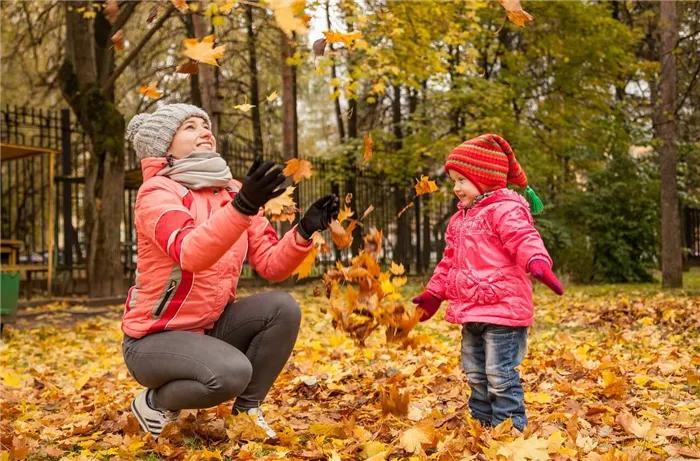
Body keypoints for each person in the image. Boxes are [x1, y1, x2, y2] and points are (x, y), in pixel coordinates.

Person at [120, 104, 339, 439]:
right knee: (231, 373)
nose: (204, 132)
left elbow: (269, 264)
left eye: (205, 126)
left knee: (282, 308)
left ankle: (246, 413)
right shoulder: (157, 193)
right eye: (189, 127)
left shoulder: (233, 191)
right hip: (153, 339)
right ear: (164, 147)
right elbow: (190, 252)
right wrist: (242, 208)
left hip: (208, 330)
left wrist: (304, 231)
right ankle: (155, 401)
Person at [412, 133, 563, 432]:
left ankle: (509, 429)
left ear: (484, 178)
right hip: (472, 310)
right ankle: (481, 425)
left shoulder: (505, 210)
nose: (456, 188)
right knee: (475, 373)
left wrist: (537, 263)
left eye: (461, 180)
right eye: (454, 180)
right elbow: (449, 261)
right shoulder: (460, 220)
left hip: (504, 312)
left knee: (499, 374)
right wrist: (434, 293)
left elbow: (524, 239)